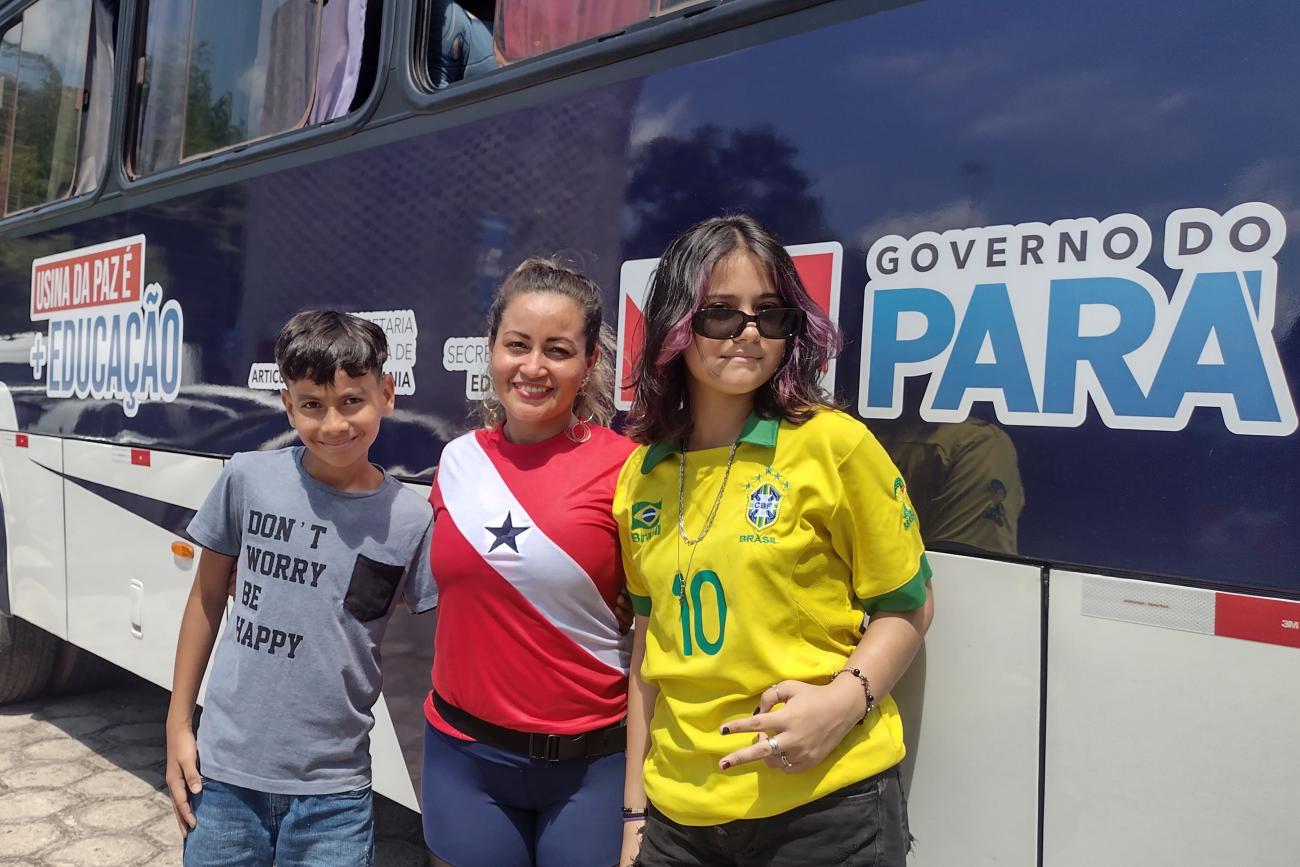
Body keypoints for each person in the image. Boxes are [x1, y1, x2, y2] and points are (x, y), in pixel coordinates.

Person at [615, 215, 935, 867]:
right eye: (720, 314)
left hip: (825, 809)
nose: (749, 332)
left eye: (770, 313)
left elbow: (909, 603)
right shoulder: (641, 474)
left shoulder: (834, 444)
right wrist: (634, 815)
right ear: (678, 325)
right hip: (677, 820)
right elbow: (648, 650)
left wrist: (841, 703)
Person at [165, 311, 437, 867]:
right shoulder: (247, 478)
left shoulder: (411, 520)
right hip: (224, 777)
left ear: (386, 394)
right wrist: (177, 724)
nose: (334, 424)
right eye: (312, 404)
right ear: (288, 406)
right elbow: (207, 600)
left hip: (335, 792)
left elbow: (428, 639)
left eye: (352, 401)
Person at [420, 258, 636, 867]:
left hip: (592, 767)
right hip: (464, 758)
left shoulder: (628, 468)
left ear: (589, 362)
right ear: (491, 349)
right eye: (517, 344)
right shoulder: (457, 462)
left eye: (557, 350)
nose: (533, 367)